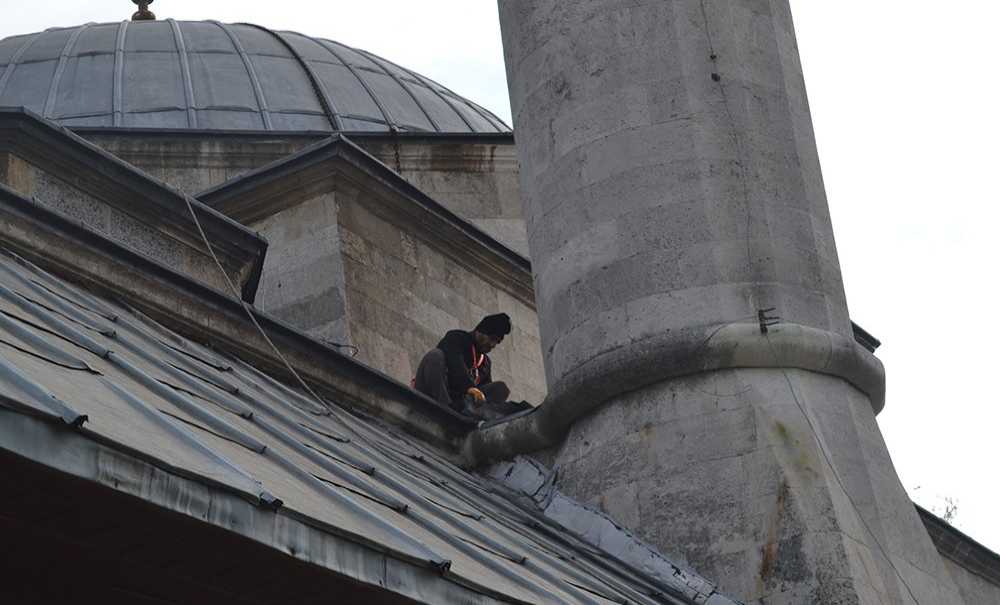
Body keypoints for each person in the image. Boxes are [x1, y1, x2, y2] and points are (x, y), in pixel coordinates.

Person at [413, 313, 512, 419]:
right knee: (435, 356)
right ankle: (445, 409)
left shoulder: (485, 363)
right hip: (438, 393)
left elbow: (485, 391)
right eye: (491, 339)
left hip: (460, 404)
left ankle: (471, 413)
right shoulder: (456, 338)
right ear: (479, 332)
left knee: (500, 389)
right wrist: (469, 387)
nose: (492, 345)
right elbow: (455, 363)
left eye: (497, 342)